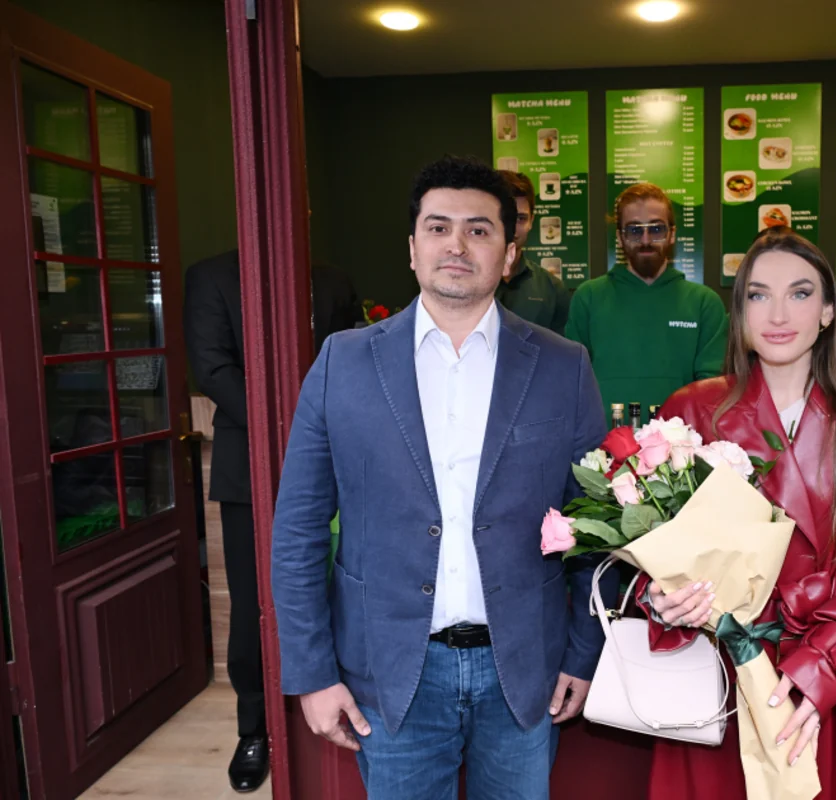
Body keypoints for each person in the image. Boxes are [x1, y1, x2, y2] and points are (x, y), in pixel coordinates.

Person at [270, 156, 615, 799]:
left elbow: (597, 525)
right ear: (412, 248)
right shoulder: (343, 362)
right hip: (389, 672)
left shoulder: (563, 366)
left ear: (509, 256)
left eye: (479, 230)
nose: (457, 244)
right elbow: (297, 530)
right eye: (438, 227)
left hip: (524, 674)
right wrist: (312, 673)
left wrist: (583, 652)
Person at [638, 227, 836, 799]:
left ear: (828, 311)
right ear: (740, 312)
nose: (777, 314)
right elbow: (648, 544)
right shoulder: (690, 412)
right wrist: (659, 597)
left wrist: (820, 669)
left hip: (810, 681)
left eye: (800, 293)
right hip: (710, 672)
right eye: (758, 295)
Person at [184, 252, 359, 792]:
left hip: (342, 456)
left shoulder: (330, 277)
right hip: (249, 465)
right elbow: (212, 368)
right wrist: (293, 425)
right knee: (251, 601)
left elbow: (355, 357)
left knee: (346, 584)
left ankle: (340, 702)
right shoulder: (211, 277)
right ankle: (254, 728)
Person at [565, 182, 727, 415]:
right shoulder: (588, 297)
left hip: (681, 437)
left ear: (672, 234)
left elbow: (711, 391)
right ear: (620, 237)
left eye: (656, 229)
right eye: (634, 230)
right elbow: (572, 382)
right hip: (602, 437)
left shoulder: (704, 303)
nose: (645, 240)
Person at [494, 171, 571, 334]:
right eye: (505, 218)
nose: (512, 228)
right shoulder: (463, 282)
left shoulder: (553, 290)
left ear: (531, 221)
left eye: (520, 219)